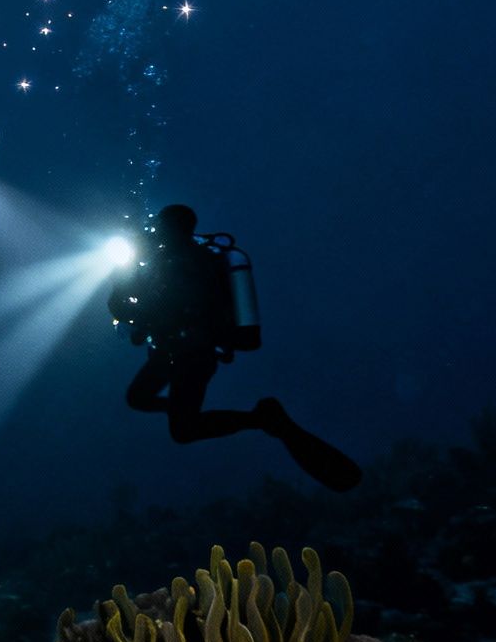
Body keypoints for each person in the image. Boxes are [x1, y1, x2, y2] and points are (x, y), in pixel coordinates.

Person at [110, 205, 362, 492]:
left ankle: (264, 418)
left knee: (183, 431)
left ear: (171, 229)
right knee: (138, 398)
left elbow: (162, 309)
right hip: (170, 352)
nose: (156, 233)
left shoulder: (191, 264)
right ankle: (188, 410)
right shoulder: (165, 262)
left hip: (194, 357)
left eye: (161, 227)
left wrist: (131, 292)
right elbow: (127, 307)